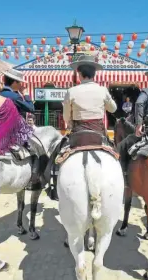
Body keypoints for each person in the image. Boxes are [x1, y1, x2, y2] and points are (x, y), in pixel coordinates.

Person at [47, 55, 117, 200]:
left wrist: (70, 124)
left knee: (57, 156)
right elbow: (113, 109)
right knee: (115, 153)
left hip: (77, 133)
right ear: (94, 74)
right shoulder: (102, 90)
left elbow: (66, 116)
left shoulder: (71, 91)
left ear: (79, 74)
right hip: (99, 134)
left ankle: (53, 183)